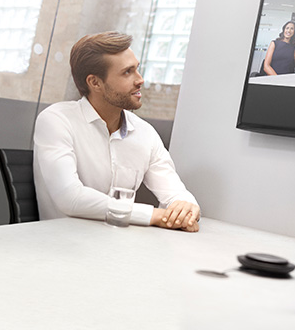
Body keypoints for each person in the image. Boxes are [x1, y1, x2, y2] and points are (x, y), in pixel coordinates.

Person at [33, 31, 200, 232]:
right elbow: (70, 198)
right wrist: (153, 215)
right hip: (61, 247)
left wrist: (186, 208)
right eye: (127, 72)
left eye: (137, 69)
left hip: (119, 249)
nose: (140, 80)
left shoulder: (145, 133)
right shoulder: (56, 120)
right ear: (95, 82)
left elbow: (176, 194)